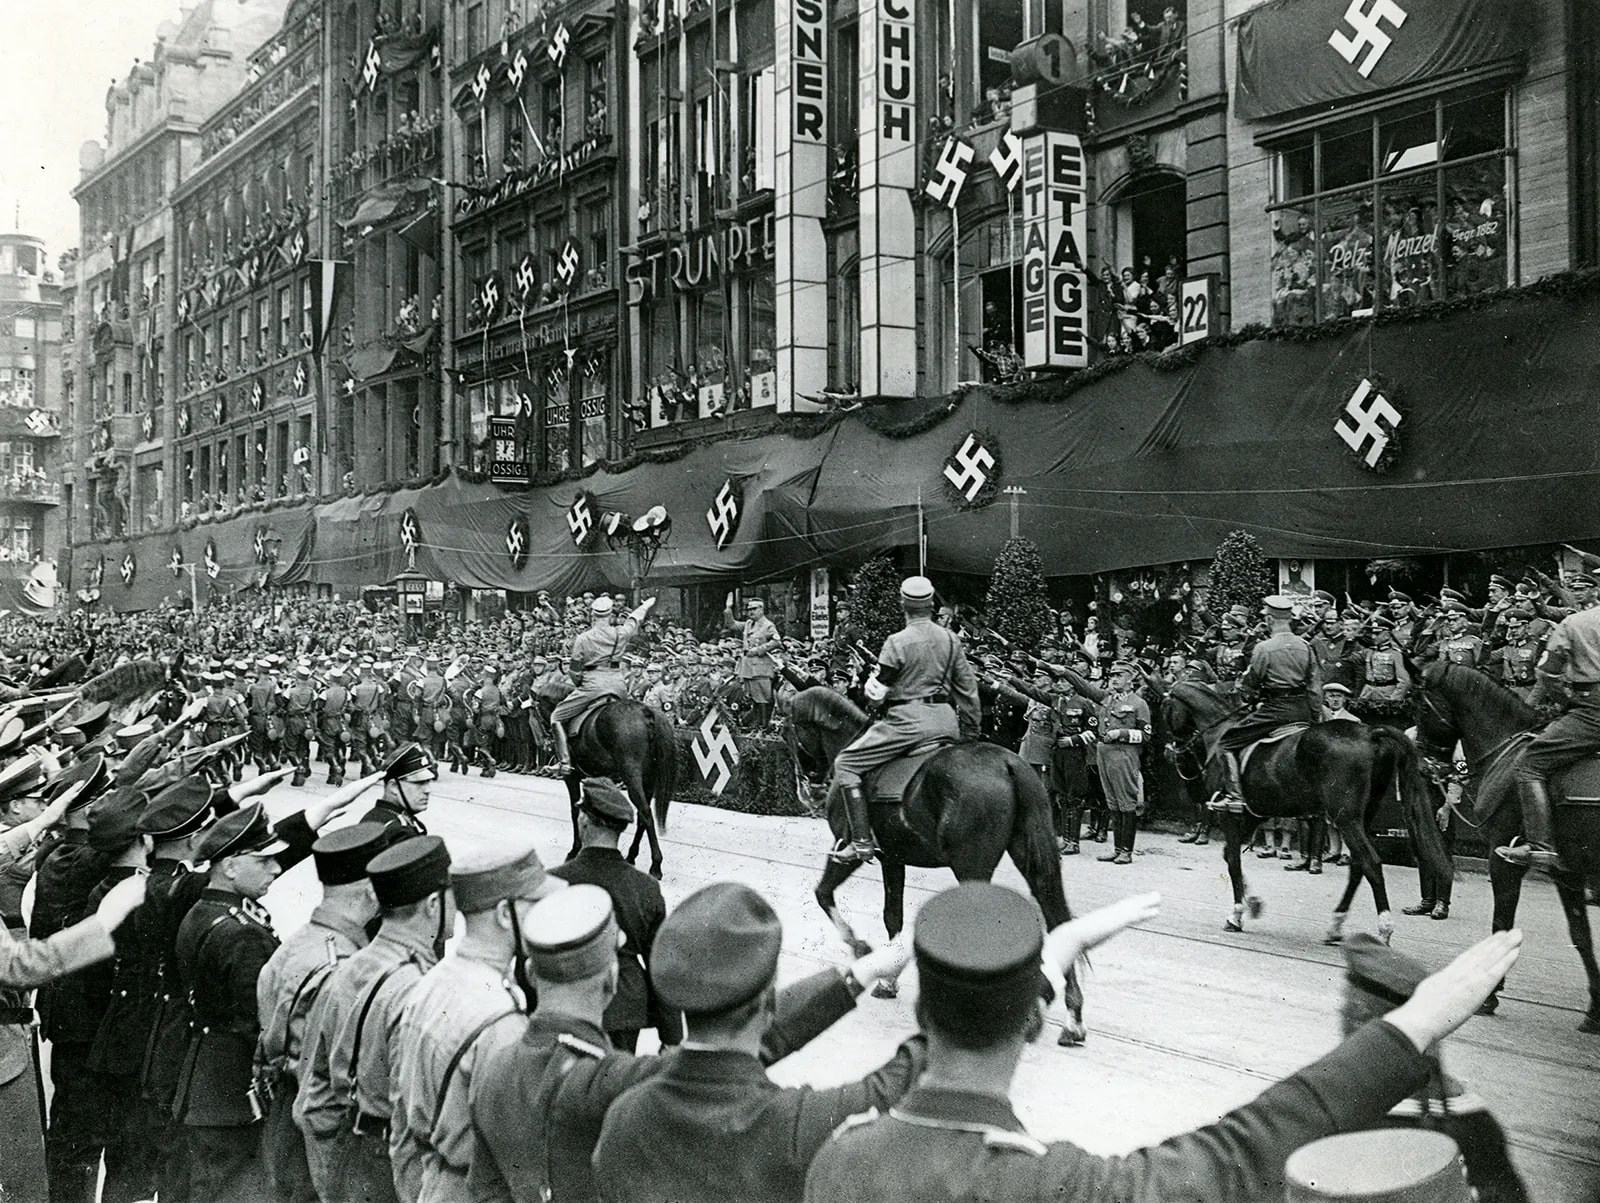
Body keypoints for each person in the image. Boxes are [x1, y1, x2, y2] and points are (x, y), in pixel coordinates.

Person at [802, 882, 1523, 1203]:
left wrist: (1043, 973)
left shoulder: (838, 1157)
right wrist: (1414, 1023)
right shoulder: (1056, 1182)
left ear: (922, 1005)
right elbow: (1242, 1147)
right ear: (1030, 1022)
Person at [467, 883, 907, 1203]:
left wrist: (859, 975)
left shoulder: (497, 1069)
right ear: (612, 978)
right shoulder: (594, 1082)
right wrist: (864, 972)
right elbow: (723, 1057)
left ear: (530, 973)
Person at [590, 882, 923, 1203]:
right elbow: (897, 1081)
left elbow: (719, 1064)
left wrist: (861, 973)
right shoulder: (793, 1127)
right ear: (770, 1003)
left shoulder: (625, 1116)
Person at [389, 842, 565, 1202]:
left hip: (430, 1178)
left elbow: (401, 1109)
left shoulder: (433, 981)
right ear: (504, 913)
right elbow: (519, 1151)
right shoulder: (500, 1020)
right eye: (536, 904)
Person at [294, 836, 454, 1203]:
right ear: (433, 904)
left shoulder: (349, 966)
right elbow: (410, 1117)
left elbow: (312, 1089)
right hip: (389, 1167)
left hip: (346, 1149)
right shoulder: (416, 989)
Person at [1337, 936, 1530, 1203]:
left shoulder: (1344, 1114)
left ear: (1362, 1019)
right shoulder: (1469, 1114)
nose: (1340, 1013)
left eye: (1348, 1007)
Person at [256, 824, 390, 1203]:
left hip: (283, 1115)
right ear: (370, 889)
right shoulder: (342, 966)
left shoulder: (297, 944)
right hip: (317, 1133)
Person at [829, 576, 980, 864]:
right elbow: (968, 690)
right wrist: (971, 733)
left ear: (904, 605)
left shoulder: (897, 641)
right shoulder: (951, 639)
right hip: (946, 721)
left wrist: (871, 689)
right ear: (931, 605)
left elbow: (877, 694)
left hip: (907, 724)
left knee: (845, 763)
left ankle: (861, 841)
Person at [550, 778, 678, 1053]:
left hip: (567, 1005)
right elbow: (661, 965)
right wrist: (671, 1036)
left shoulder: (554, 882)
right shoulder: (646, 888)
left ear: (583, 819)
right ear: (621, 829)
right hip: (625, 1008)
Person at [1502, 573, 1600, 870]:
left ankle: (1541, 847)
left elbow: (1548, 673)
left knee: (1529, 764)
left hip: (1592, 710)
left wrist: (1565, 698)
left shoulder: (1575, 623)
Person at [1215, 595, 1323, 808]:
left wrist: (1250, 697)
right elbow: (1315, 687)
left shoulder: (1264, 648)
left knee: (1225, 743)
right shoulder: (1305, 646)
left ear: (1270, 620)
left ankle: (1235, 796)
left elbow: (1251, 684)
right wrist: (1314, 715)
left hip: (1274, 712)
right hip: (1301, 710)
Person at [550, 595, 657, 773]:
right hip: (618, 685)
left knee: (556, 717)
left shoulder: (583, 638)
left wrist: (579, 684)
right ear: (610, 615)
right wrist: (646, 605)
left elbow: (574, 670)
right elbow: (634, 619)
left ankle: (565, 761)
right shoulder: (620, 633)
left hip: (592, 685)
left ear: (593, 615)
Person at [724, 595, 781, 729]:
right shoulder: (749, 624)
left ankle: (764, 725)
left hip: (761, 667)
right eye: (749, 609)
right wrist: (728, 609)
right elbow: (732, 624)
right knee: (754, 697)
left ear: (761, 609)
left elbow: (777, 642)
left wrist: (757, 650)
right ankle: (756, 724)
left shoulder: (768, 626)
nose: (750, 612)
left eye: (754, 609)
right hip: (749, 667)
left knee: (763, 698)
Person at [360, 744, 435, 839]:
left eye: (427, 782)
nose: (428, 790)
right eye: (419, 783)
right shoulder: (400, 833)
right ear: (394, 787)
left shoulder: (375, 816)